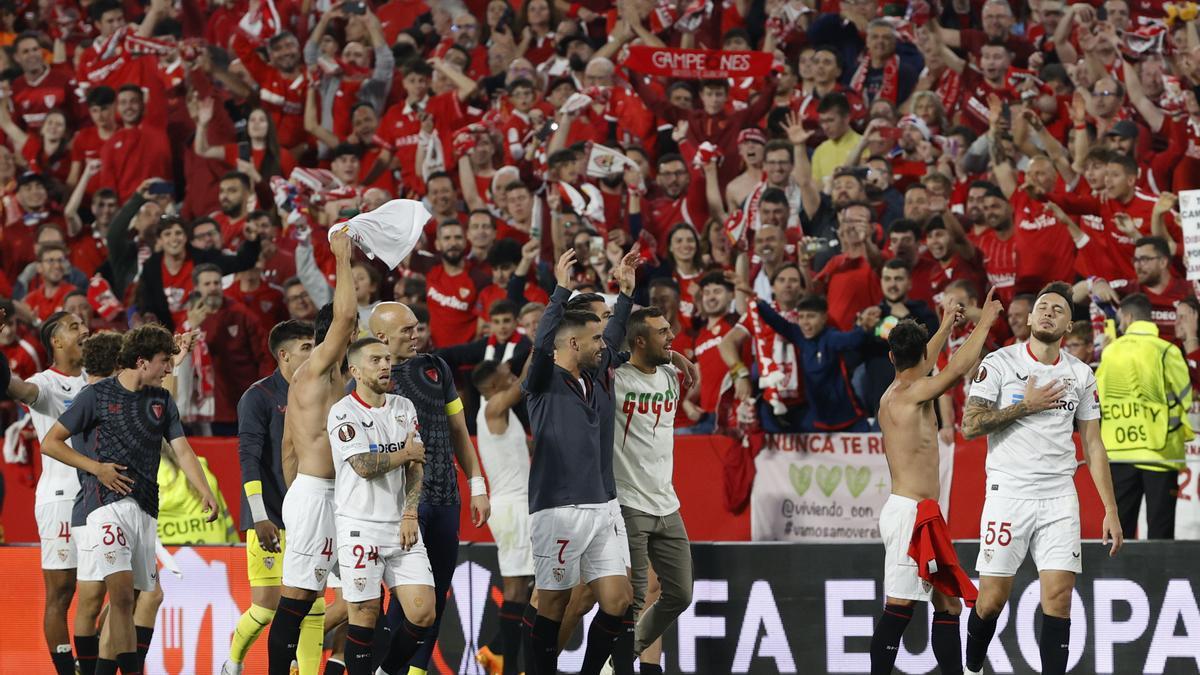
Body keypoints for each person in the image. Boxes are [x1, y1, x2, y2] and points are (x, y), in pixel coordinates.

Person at [960, 282, 1124, 675]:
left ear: (1068, 325)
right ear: (1030, 319)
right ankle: (970, 667)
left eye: (1058, 309)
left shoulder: (1081, 374)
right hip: (1008, 495)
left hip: (1058, 498)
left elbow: (1093, 443)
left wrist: (1110, 509)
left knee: (1059, 598)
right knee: (991, 601)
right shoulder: (999, 363)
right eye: (1043, 307)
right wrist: (1026, 407)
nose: (1049, 312)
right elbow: (969, 425)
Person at [41, 325, 219, 675]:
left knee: (139, 597)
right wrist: (98, 469)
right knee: (120, 596)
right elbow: (51, 442)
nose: (169, 369)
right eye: (165, 362)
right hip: (104, 505)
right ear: (142, 362)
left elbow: (182, 450)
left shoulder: (161, 401)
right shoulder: (96, 396)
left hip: (145, 509)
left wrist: (205, 490)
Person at [870, 291, 1001, 674]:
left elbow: (925, 362)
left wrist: (945, 324)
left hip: (925, 513)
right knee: (899, 608)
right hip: (909, 515)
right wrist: (985, 321)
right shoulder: (908, 397)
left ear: (892, 357)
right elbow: (956, 370)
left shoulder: (896, 392)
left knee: (949, 604)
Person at [524, 249, 637, 675]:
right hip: (558, 509)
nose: (603, 344)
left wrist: (626, 294)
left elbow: (614, 337)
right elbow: (541, 345)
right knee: (553, 602)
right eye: (594, 338)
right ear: (572, 343)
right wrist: (561, 291)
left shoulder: (594, 373)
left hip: (602, 505)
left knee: (618, 600)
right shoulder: (542, 381)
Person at [367, 300, 491, 675]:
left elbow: (458, 431)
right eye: (406, 330)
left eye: (416, 327)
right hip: (401, 503)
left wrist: (478, 483)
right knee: (405, 600)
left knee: (434, 597)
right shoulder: (369, 381)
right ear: (381, 337)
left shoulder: (437, 368)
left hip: (446, 498)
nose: (415, 334)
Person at [266, 231, 356, 675]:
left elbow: (286, 448)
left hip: (336, 496)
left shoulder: (340, 379)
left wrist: (292, 496)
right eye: (351, 332)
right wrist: (342, 257)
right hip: (318, 495)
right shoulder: (317, 367)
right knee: (298, 600)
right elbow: (344, 315)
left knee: (364, 593)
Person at [329, 337, 433, 674]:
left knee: (423, 612)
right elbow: (362, 466)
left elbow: (416, 466)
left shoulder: (403, 407)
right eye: (376, 360)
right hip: (360, 525)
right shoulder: (343, 412)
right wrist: (404, 454)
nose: (386, 365)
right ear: (355, 371)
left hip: (401, 523)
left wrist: (410, 512)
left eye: (388, 359)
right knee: (365, 612)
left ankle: (384, 672)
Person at [223, 320, 316, 675]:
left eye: (313, 345)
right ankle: (233, 662)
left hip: (310, 514)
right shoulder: (258, 397)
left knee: (314, 602)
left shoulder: (320, 391)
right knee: (266, 607)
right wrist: (259, 514)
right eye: (305, 347)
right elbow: (247, 458)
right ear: (284, 355)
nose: (312, 353)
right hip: (270, 516)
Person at [5, 311, 90, 675]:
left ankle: (92, 661)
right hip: (61, 497)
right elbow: (16, 389)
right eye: (74, 328)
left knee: (116, 586)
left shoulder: (96, 378)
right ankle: (65, 669)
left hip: (101, 496)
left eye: (84, 325)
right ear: (55, 341)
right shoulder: (44, 384)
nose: (85, 331)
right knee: (61, 591)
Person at [614, 307, 694, 675]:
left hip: (667, 502)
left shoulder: (670, 375)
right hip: (629, 502)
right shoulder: (615, 379)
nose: (671, 337)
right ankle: (622, 665)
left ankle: (618, 657)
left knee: (680, 594)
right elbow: (598, 351)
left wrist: (675, 356)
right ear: (639, 341)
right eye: (663, 333)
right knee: (632, 599)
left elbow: (690, 370)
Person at [1097, 293, 1193, 539]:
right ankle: (1157, 579)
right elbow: (1185, 398)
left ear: (1127, 318)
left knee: (1119, 534)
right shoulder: (1166, 350)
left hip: (1118, 452)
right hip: (1160, 452)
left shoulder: (1110, 352)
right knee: (1160, 535)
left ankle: (1119, 578)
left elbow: (1099, 398)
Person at [471, 359, 532, 675]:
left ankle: (496, 650)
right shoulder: (493, 407)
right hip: (513, 509)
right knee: (518, 589)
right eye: (504, 374)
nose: (510, 375)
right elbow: (524, 383)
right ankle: (508, 665)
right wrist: (540, 345)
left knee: (534, 586)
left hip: (518, 506)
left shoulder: (500, 414)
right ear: (493, 386)